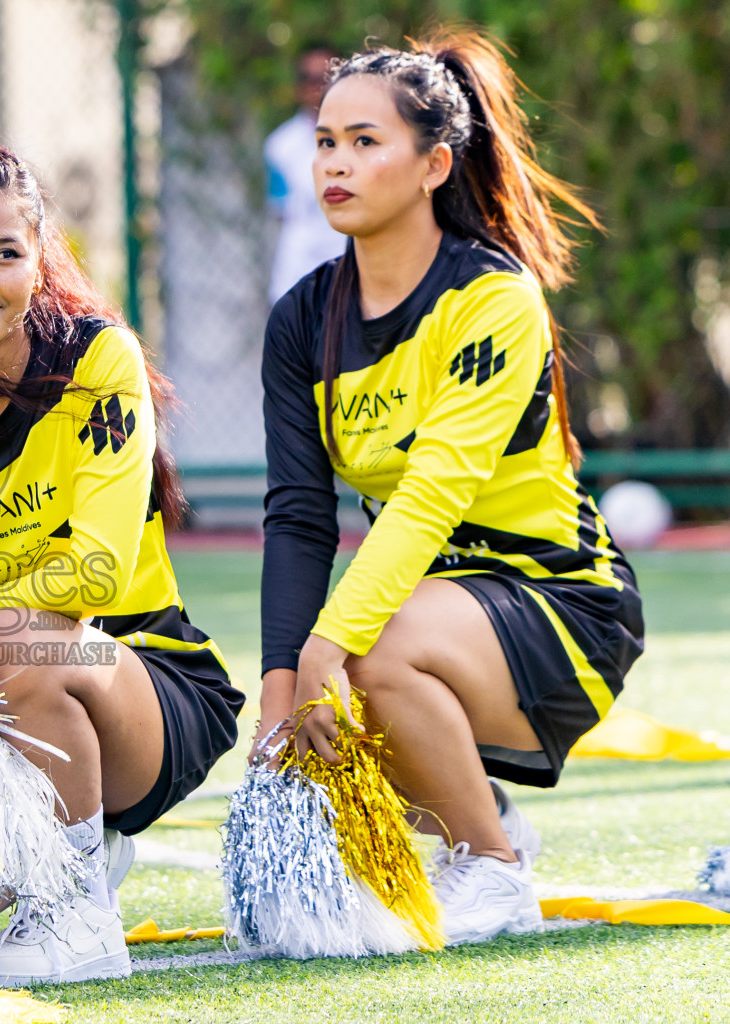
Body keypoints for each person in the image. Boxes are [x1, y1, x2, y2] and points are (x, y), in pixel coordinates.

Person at [258, 29, 644, 946]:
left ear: (434, 165)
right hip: (432, 609)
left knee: (360, 650)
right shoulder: (304, 318)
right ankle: (489, 814)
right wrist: (280, 699)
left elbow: (433, 493)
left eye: (365, 142)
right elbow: (299, 516)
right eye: (325, 141)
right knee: (329, 687)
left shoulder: (491, 298)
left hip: (559, 604)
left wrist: (326, 649)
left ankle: (492, 869)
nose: (336, 165)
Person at [0, 139, 245, 987]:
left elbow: (96, 574)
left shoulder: (98, 359)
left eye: (4, 254)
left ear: (38, 258)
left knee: (8, 631)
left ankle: (76, 919)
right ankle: (86, 842)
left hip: (148, 681)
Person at [265, 45, 346, 304]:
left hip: (352, 274)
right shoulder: (280, 146)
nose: (316, 87)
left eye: (325, 78)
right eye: (308, 78)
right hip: (298, 278)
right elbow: (281, 212)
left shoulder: (366, 139)